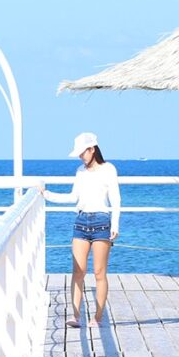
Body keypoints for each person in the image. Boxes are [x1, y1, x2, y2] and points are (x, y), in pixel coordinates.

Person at [39, 132, 121, 328]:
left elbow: (116, 199)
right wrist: (46, 194)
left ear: (92, 149)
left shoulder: (108, 169)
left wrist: (115, 225)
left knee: (99, 273)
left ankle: (98, 318)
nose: (80, 156)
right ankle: (76, 316)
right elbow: (73, 197)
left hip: (102, 222)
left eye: (82, 152)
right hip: (81, 222)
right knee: (78, 271)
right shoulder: (80, 171)